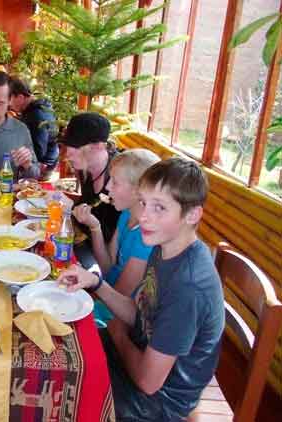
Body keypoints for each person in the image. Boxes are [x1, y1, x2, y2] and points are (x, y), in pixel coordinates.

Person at [58, 157, 225, 421]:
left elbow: (148, 382)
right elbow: (140, 312)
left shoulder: (189, 285)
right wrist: (96, 283)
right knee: (63, 349)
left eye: (159, 208)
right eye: (144, 203)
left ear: (192, 214)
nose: (144, 216)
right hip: (137, 349)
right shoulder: (164, 247)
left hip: (158, 402)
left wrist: (117, 332)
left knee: (64, 393)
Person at [73, 149, 160, 327]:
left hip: (117, 316)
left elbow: (121, 295)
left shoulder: (147, 238)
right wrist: (94, 226)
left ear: (139, 191)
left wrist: (88, 289)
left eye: (115, 182)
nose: (107, 187)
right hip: (104, 293)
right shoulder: (127, 214)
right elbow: (107, 266)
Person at [58, 112, 121, 244]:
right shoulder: (85, 169)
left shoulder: (119, 177)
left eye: (74, 146)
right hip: (88, 242)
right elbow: (87, 208)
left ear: (98, 146)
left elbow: (116, 241)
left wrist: (69, 207)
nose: (67, 154)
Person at [9, 77, 59, 179]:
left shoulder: (37, 115)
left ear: (20, 97)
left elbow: (38, 152)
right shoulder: (34, 108)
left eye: (9, 99)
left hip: (43, 168)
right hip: (44, 160)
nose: (9, 104)